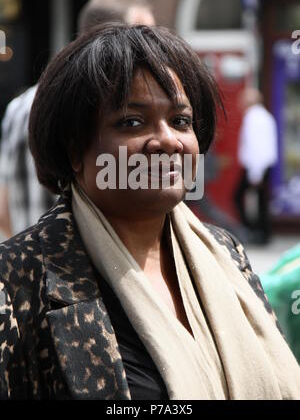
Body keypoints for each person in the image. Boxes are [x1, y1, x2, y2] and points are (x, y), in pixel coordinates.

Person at [0, 24, 300, 400]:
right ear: (75, 148)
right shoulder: (17, 281)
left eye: (180, 121)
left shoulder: (225, 252)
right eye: (131, 122)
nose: (167, 141)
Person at [0, 0, 155, 238]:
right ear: (109, 36)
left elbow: (3, 208)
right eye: (142, 33)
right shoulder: (101, 105)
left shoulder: (20, 105)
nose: (152, 46)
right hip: (82, 270)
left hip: (28, 264)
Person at [234, 87, 278, 244]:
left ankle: (253, 230)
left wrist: (255, 172)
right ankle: (261, 233)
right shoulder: (264, 116)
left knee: (238, 196)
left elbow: (257, 146)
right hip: (261, 166)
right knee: (261, 200)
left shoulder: (253, 117)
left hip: (256, 166)